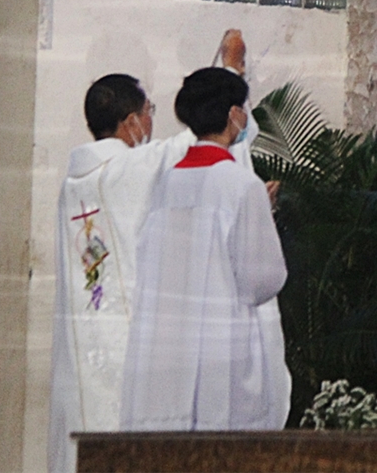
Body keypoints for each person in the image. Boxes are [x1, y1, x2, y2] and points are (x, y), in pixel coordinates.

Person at [48, 31, 256, 473]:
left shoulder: (72, 183)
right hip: (126, 351)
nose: (151, 121)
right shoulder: (127, 169)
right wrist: (231, 70)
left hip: (80, 355)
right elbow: (206, 138)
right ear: (130, 123)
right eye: (149, 112)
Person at [117, 67, 290, 432]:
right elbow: (262, 281)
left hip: (166, 354)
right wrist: (263, 216)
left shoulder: (166, 183)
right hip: (221, 350)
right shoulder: (243, 185)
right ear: (234, 114)